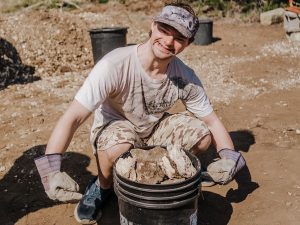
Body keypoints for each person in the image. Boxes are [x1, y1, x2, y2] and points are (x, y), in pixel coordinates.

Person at [34, 2, 246, 224]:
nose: (168, 41)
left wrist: (228, 158)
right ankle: (102, 186)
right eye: (164, 30)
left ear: (188, 43)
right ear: (153, 25)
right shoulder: (115, 65)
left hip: (153, 128)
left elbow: (211, 121)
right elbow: (73, 116)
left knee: (202, 137)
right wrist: (51, 172)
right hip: (116, 127)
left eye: (179, 38)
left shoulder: (184, 77)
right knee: (119, 147)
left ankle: (170, 169)